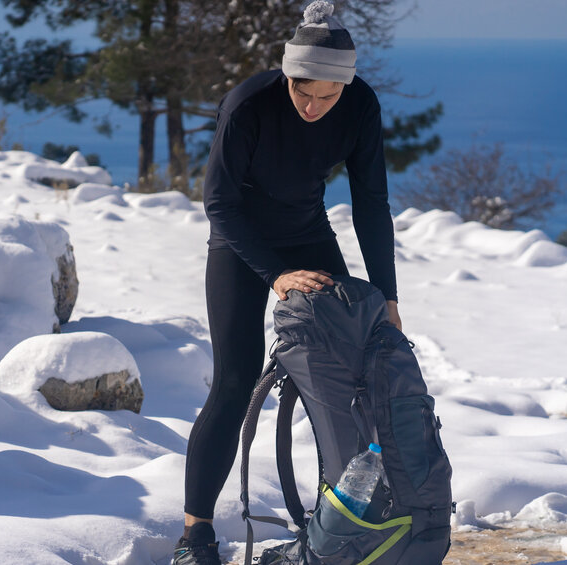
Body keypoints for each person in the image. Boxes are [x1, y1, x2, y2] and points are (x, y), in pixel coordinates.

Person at [171, 2, 401, 564]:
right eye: (304, 93)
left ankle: (345, 519)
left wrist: (387, 296)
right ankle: (194, 534)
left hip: (308, 235)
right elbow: (219, 202)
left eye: (329, 96)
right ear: (287, 75)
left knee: (353, 378)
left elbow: (372, 204)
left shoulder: (361, 104)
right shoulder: (249, 103)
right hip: (241, 243)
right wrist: (273, 275)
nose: (315, 106)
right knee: (235, 380)